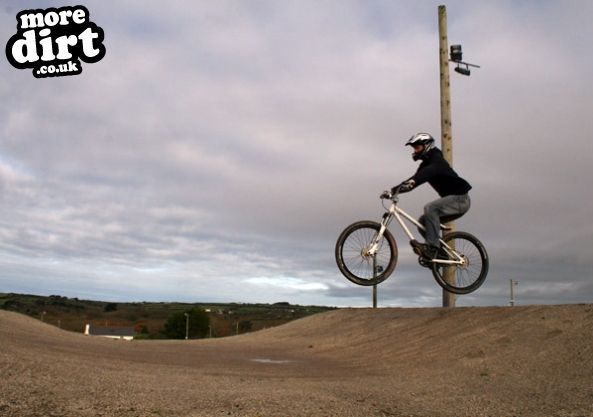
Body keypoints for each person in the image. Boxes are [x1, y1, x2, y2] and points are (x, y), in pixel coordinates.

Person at [382, 132, 472, 262]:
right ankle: (440, 254)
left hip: (461, 199)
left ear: (427, 146)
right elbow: (413, 181)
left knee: (430, 208)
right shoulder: (425, 164)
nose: (415, 151)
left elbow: (423, 175)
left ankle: (432, 248)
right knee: (422, 223)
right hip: (455, 201)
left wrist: (411, 182)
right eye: (414, 148)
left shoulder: (437, 160)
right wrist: (393, 191)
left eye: (417, 148)